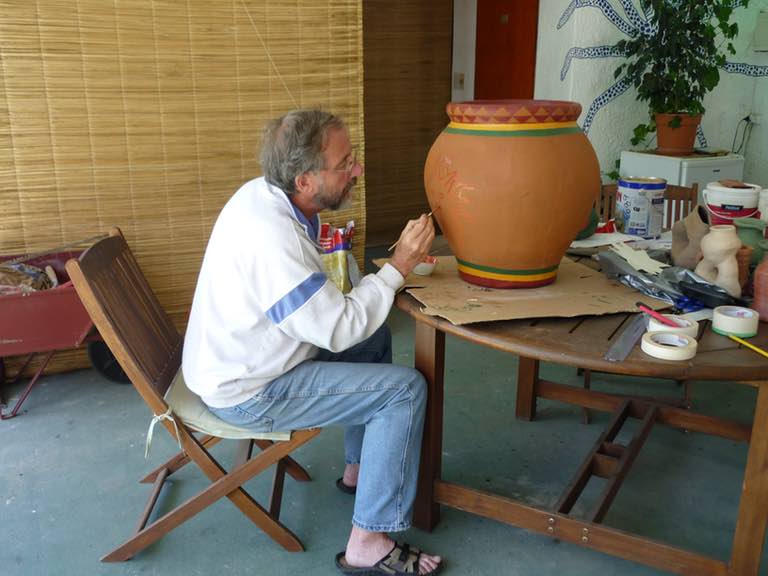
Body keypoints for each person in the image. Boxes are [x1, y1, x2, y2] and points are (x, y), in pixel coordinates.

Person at [182, 109, 441, 575]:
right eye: (345, 164)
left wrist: (387, 274)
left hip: (244, 359)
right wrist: (398, 265)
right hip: (248, 391)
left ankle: (362, 472)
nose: (357, 170)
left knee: (375, 342)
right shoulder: (271, 237)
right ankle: (368, 540)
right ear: (304, 179)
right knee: (403, 391)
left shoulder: (263, 196)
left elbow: (334, 319)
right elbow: (337, 329)